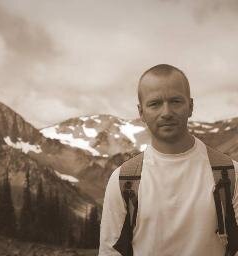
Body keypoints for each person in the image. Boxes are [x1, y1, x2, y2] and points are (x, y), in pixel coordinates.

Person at [98, 64, 238, 256]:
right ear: (141, 112)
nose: (166, 112)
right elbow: (110, 252)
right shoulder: (124, 180)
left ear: (191, 106)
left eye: (175, 101)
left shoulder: (230, 173)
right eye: (155, 104)